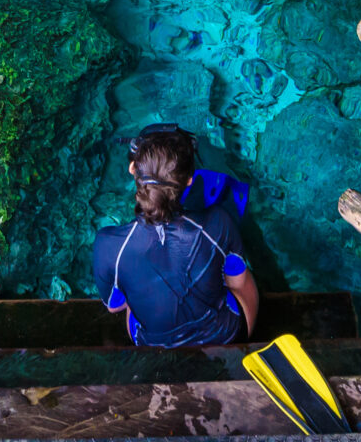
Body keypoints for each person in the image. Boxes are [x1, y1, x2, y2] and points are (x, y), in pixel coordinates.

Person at [92, 124, 260, 348]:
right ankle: (245, 340)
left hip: (152, 345)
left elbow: (114, 306)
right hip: (224, 336)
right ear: (190, 180)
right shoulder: (219, 221)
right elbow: (238, 283)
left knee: (129, 290)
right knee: (239, 276)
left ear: (133, 169)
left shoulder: (107, 244)